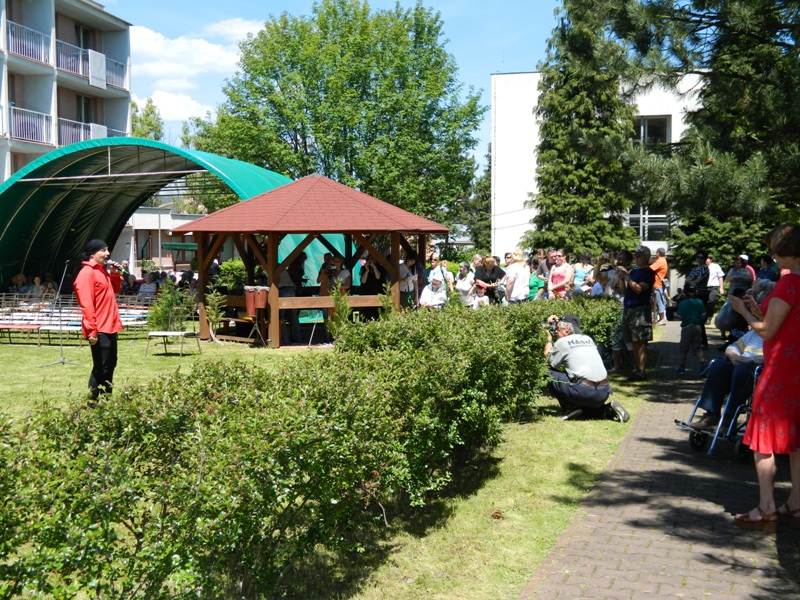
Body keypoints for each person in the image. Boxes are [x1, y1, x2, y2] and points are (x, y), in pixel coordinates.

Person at [727, 223, 800, 531]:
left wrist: (743, 312)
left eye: (774, 250)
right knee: (796, 438)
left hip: (781, 371)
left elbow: (768, 331)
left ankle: (766, 506)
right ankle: (796, 501)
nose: (772, 255)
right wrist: (759, 311)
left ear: (787, 251)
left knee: (763, 438)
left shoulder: (789, 283)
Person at [543, 313, 629, 422]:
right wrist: (558, 322)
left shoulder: (562, 342)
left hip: (583, 391)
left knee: (545, 371)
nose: (556, 331)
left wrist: (549, 338)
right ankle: (607, 409)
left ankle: (569, 408)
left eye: (558, 327)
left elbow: (547, 360)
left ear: (567, 327)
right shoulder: (588, 339)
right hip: (603, 391)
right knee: (585, 411)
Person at [73, 239, 124, 405]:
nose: (107, 253)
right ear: (92, 254)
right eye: (103, 250)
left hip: (110, 326)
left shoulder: (102, 271)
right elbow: (86, 304)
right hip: (99, 328)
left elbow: (115, 290)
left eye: (107, 250)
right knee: (100, 368)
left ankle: (106, 402)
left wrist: (114, 274)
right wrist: (91, 330)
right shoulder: (86, 273)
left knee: (110, 365)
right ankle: (91, 405)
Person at [689, 328, 764, 431]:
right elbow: (731, 348)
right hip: (740, 363)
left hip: (757, 370)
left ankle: (729, 418)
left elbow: (772, 357)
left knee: (741, 370)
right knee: (718, 365)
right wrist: (735, 357)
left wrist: (748, 360)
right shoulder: (754, 333)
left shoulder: (779, 335)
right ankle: (711, 414)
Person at [620, 245, 655, 380]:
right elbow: (624, 290)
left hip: (640, 309)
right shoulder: (634, 272)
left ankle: (642, 370)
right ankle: (637, 369)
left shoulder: (648, 272)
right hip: (628, 308)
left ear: (646, 258)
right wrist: (622, 278)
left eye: (639, 256)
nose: (637, 258)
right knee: (633, 341)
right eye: (636, 255)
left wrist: (627, 277)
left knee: (641, 341)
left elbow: (639, 289)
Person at [674, 285, 707, 376]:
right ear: (696, 292)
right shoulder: (700, 302)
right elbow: (703, 315)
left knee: (683, 348)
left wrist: (675, 316)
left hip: (687, 327)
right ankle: (703, 363)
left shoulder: (683, 303)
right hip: (697, 326)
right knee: (697, 347)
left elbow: (679, 317)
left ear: (685, 293)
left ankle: (681, 368)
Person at [706, 253, 726, 325]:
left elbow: (720, 277)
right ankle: (705, 316)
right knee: (704, 302)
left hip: (714, 286)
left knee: (711, 301)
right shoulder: (702, 267)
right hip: (704, 287)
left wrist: (721, 288)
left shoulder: (716, 266)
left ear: (710, 260)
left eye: (707, 259)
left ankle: (709, 317)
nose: (706, 260)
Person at [651, 248, 668, 325]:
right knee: (658, 301)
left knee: (659, 301)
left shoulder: (660, 261)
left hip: (658, 284)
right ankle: (660, 319)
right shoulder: (663, 260)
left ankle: (662, 319)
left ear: (658, 253)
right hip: (659, 284)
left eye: (656, 252)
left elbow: (650, 268)